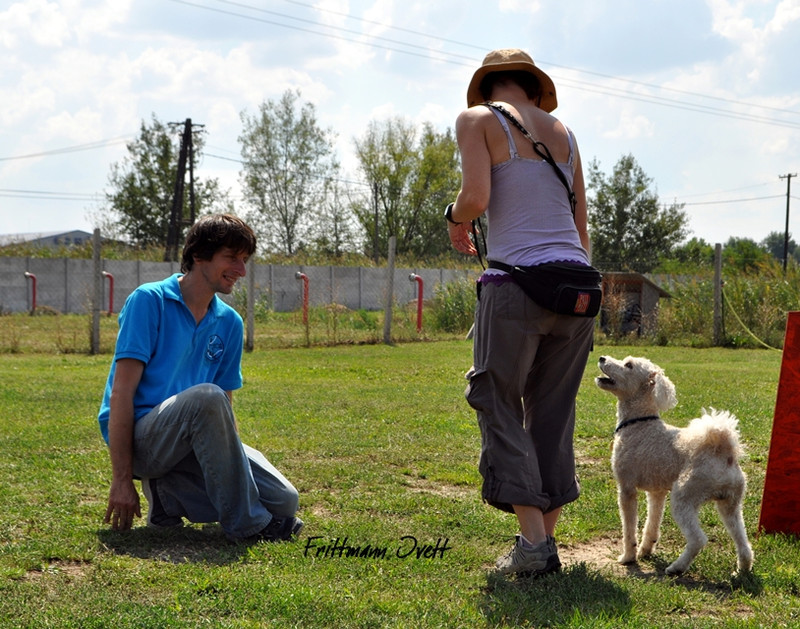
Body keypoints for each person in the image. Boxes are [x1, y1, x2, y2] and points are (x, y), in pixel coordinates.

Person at [446, 49, 595, 576]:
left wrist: (454, 218)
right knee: (553, 412)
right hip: (577, 289)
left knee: (495, 397)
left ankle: (532, 544)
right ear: (534, 89)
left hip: (517, 284)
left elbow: (476, 196)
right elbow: (580, 226)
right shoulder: (567, 134)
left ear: (489, 88)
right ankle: (543, 542)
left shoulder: (477, 119)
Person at [98, 213, 302, 542]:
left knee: (284, 499)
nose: (241, 270)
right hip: (143, 440)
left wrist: (230, 466)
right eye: (232, 258)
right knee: (206, 396)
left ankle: (167, 497)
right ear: (198, 255)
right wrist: (121, 479)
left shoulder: (230, 323)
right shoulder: (149, 301)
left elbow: (225, 407)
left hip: (194, 436)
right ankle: (247, 525)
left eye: (245, 260)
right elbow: (120, 394)